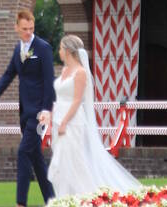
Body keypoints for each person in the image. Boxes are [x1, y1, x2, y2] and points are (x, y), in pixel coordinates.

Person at [46, 34, 144, 198]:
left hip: (72, 122)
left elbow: (77, 100)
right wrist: (50, 116)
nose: (59, 52)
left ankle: (88, 196)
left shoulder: (80, 73)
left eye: (61, 48)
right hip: (59, 119)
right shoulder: (64, 71)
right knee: (62, 161)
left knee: (74, 161)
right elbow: (60, 98)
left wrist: (64, 122)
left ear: (68, 51)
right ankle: (64, 198)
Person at [0, 8, 56, 207]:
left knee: (23, 151)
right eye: (24, 29)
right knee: (35, 158)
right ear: (16, 27)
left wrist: (46, 110)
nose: (28, 33)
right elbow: (8, 75)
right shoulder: (18, 50)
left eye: (31, 29)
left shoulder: (43, 48)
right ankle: (53, 202)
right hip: (25, 112)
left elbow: (49, 82)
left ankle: (20, 205)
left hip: (39, 114)